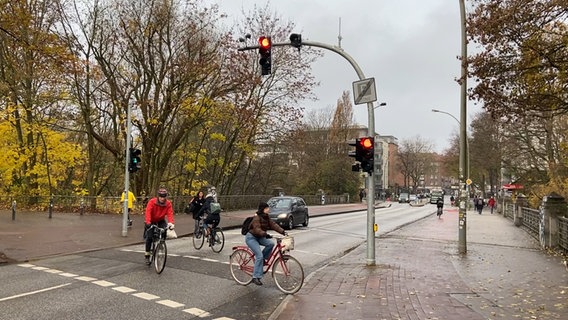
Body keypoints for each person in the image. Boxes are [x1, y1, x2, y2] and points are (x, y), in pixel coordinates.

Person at [144, 187, 175, 264]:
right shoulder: (152, 202)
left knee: (164, 231)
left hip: (161, 220)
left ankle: (161, 245)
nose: (162, 198)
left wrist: (171, 223)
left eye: (163, 197)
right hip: (151, 220)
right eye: (161, 197)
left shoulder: (168, 204)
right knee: (149, 237)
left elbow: (170, 214)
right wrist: (148, 222)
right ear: (158, 196)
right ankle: (147, 255)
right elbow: (148, 212)